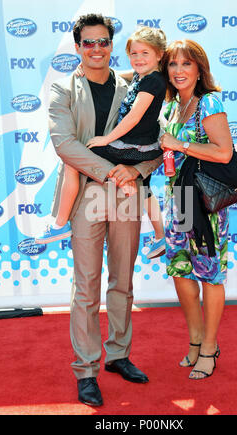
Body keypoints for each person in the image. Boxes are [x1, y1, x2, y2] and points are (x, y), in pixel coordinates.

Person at [47, 14, 163, 406]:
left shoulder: (135, 84)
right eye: (88, 42)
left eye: (103, 42)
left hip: (128, 192)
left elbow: (155, 141)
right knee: (86, 287)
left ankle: (118, 355)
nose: (96, 49)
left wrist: (135, 169)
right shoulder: (62, 90)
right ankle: (85, 368)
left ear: (112, 46)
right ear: (78, 46)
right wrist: (110, 172)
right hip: (87, 195)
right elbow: (65, 144)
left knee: (123, 282)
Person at [36, 26, 167, 260]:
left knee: (75, 161)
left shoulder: (153, 82)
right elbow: (123, 75)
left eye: (144, 54)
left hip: (132, 148)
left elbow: (134, 116)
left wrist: (107, 138)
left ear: (159, 55)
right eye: (134, 54)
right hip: (141, 146)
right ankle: (160, 235)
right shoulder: (146, 75)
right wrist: (87, 69)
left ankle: (61, 223)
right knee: (145, 189)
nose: (138, 59)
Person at [160, 39, 233, 380]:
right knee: (181, 271)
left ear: (199, 69)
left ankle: (210, 347)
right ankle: (194, 341)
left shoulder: (210, 102)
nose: (178, 71)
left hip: (204, 204)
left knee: (210, 275)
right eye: (172, 65)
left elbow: (224, 153)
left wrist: (181, 144)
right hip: (177, 201)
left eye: (186, 64)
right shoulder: (173, 105)